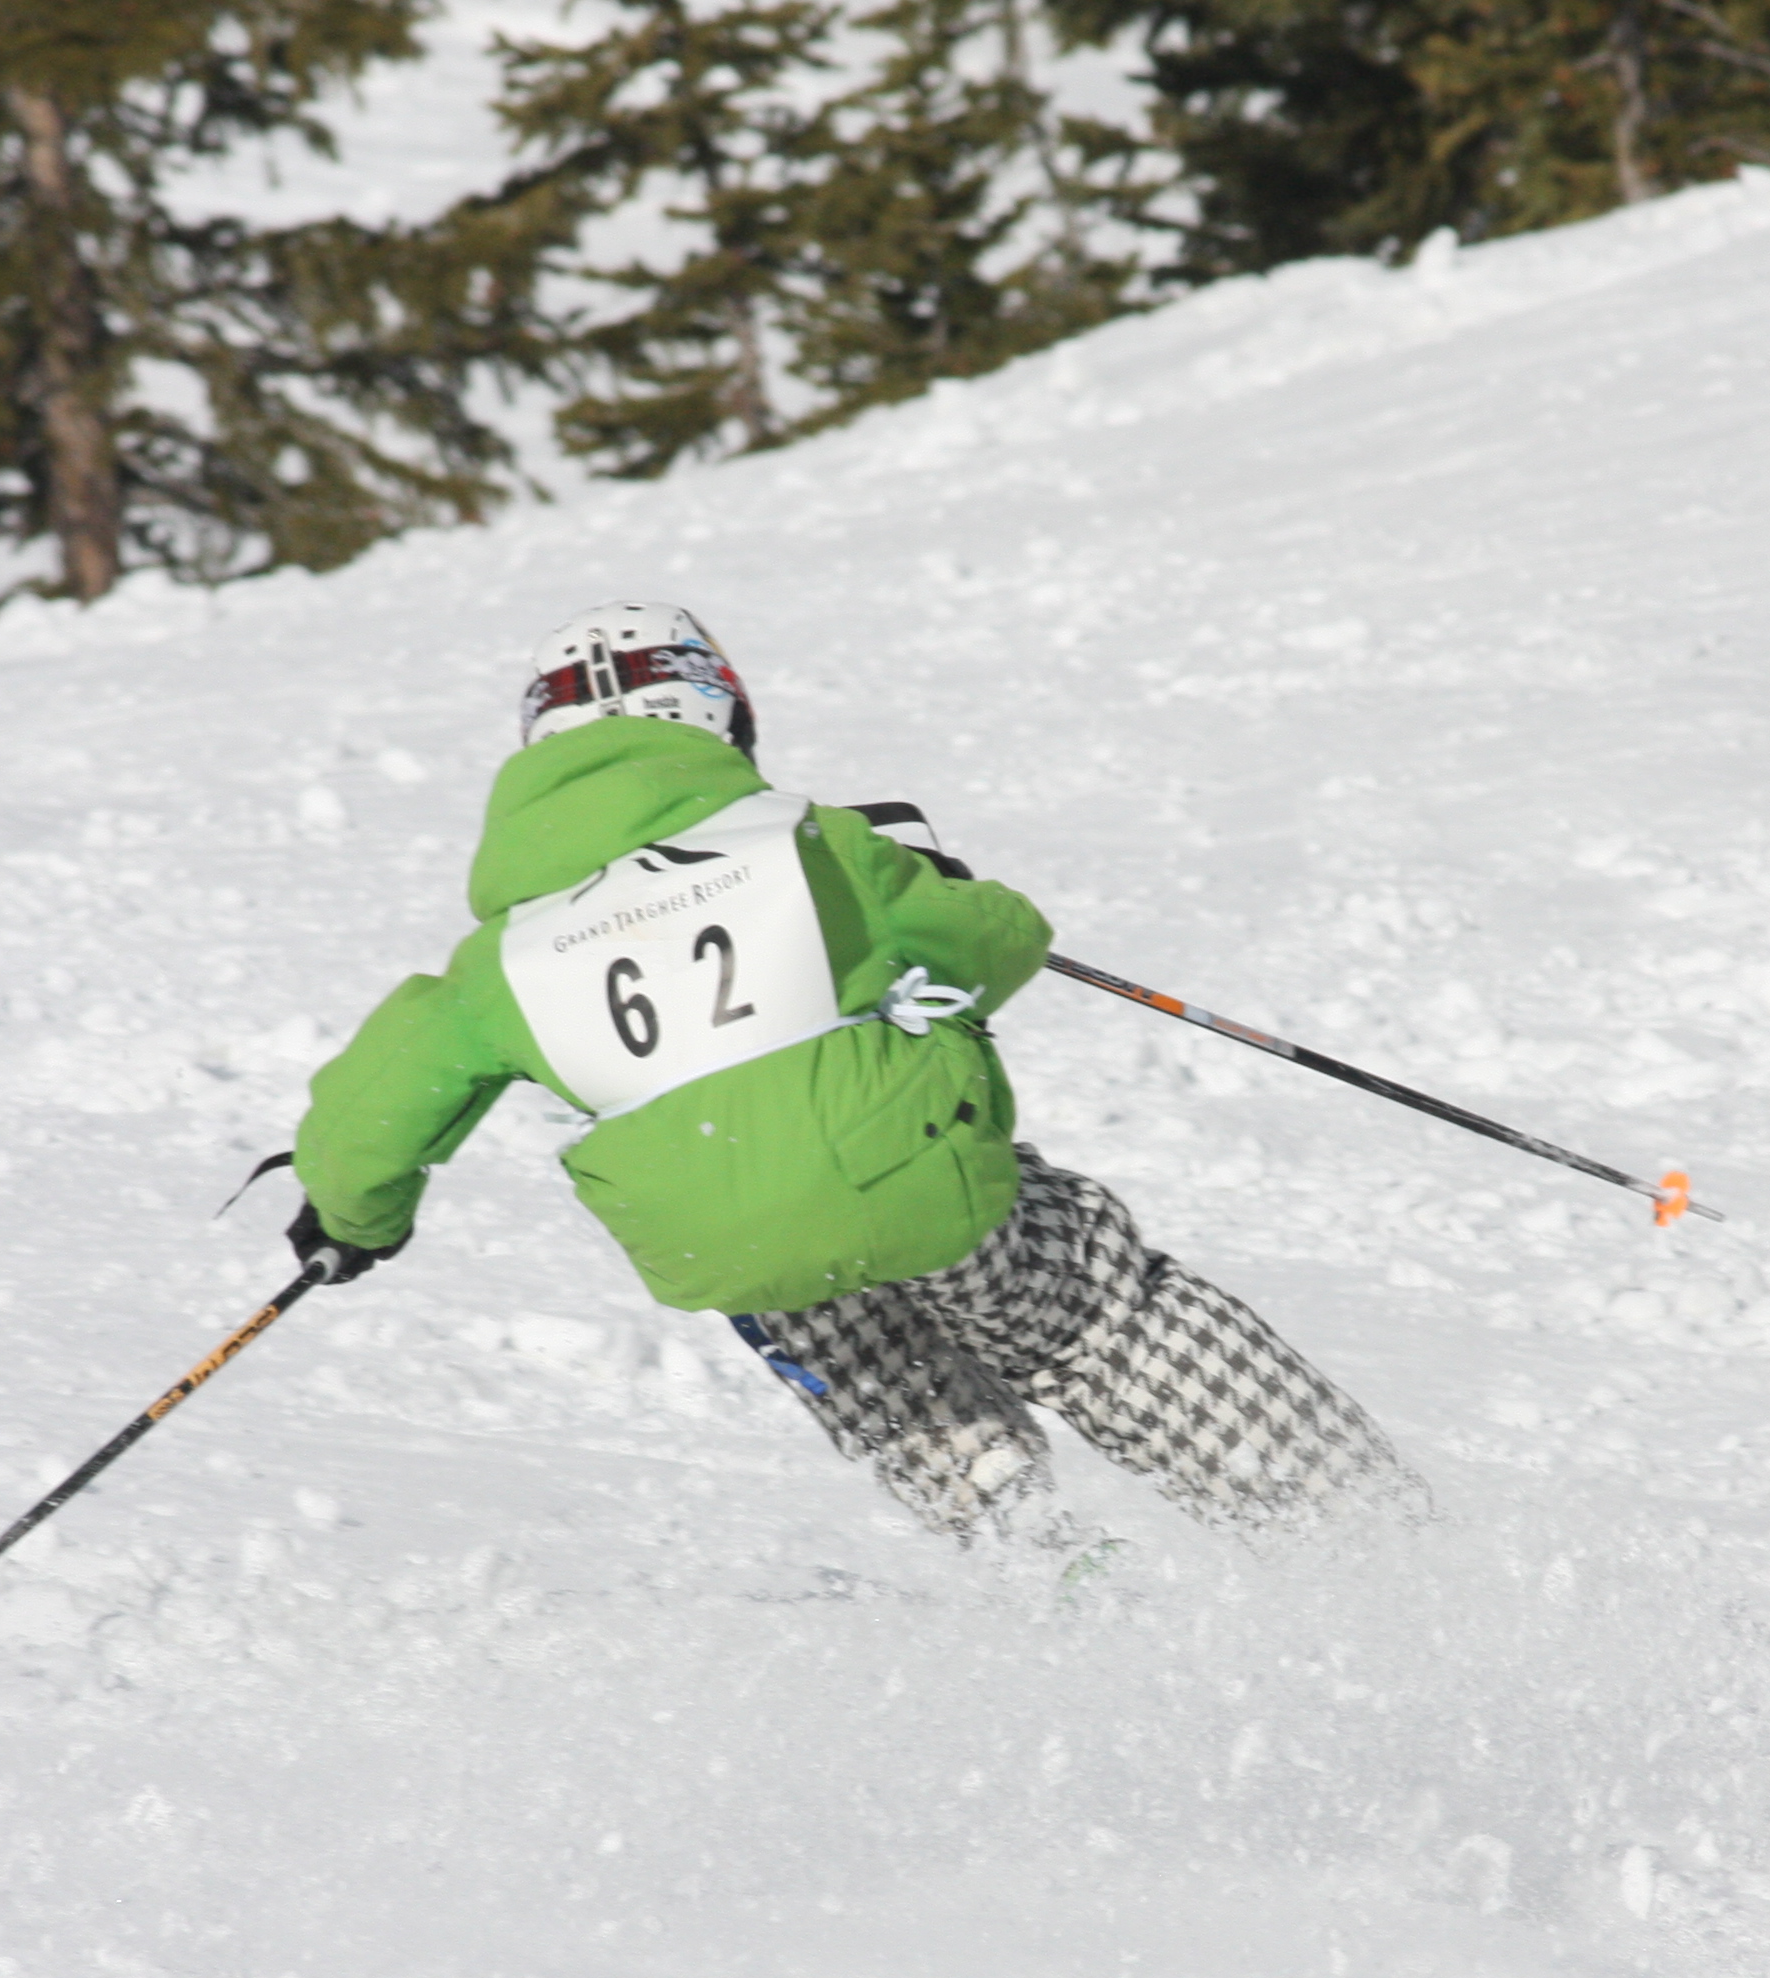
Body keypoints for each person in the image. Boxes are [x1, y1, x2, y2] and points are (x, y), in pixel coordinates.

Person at [286, 602, 1417, 1544]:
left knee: (854, 1350)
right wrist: (936, 883)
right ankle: (1343, 1519)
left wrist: (353, 1223)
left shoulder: (500, 960)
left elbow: (366, 1118)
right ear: (720, 718)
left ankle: (1038, 1562)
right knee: (1087, 1313)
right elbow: (993, 945)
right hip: (912, 1179)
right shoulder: (806, 841)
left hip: (713, 1239)